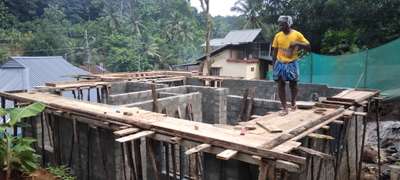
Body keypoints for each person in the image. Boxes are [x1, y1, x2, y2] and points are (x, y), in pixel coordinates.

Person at [272, 15, 310, 116]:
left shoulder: (297, 35)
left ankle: (293, 102)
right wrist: (273, 65)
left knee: (293, 84)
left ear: (288, 24)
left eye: (282, 24)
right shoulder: (278, 36)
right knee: (280, 84)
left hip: (292, 62)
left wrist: (296, 43)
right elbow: (274, 52)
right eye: (279, 24)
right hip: (280, 63)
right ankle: (284, 108)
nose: (280, 26)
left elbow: (308, 46)